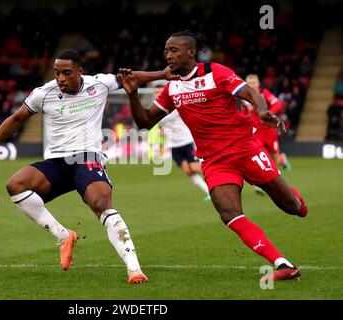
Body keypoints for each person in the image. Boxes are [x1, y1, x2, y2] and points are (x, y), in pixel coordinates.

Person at [118, 31, 308, 282]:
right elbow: (145, 122)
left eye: (174, 50)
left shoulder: (215, 71)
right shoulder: (172, 88)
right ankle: (283, 263)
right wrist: (132, 94)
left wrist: (262, 111)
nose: (168, 55)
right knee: (229, 213)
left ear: (191, 52)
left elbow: (252, 94)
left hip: (245, 149)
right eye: (166, 50)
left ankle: (294, 197)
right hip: (214, 161)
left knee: (292, 208)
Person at [0, 49, 175, 284]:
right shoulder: (43, 93)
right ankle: (63, 236)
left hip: (86, 159)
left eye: (67, 73)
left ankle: (134, 269)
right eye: (57, 73)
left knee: (101, 202)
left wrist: (160, 74)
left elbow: (130, 78)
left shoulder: (98, 84)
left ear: (80, 72)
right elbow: (17, 118)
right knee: (16, 184)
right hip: (56, 162)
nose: (60, 79)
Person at [151, 80, 210, 201]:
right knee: (188, 171)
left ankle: (217, 182)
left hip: (187, 141)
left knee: (195, 167)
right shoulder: (155, 109)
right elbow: (161, 129)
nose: (157, 94)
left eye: (159, 91)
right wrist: (161, 146)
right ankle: (207, 191)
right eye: (155, 92)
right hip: (173, 145)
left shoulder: (174, 104)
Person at [243, 74, 291, 172]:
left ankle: (281, 159)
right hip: (255, 132)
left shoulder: (264, 93)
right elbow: (243, 114)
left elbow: (277, 104)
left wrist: (268, 114)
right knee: (257, 157)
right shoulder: (244, 98)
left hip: (269, 131)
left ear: (258, 84)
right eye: (249, 83)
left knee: (275, 160)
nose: (251, 85)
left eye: (254, 83)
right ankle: (261, 184)